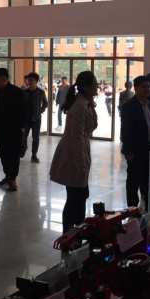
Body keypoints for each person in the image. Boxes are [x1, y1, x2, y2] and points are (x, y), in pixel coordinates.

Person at [50, 71, 98, 231]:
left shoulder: (86, 104)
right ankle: (69, 236)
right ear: (87, 87)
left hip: (79, 152)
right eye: (95, 84)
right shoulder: (79, 107)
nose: (97, 87)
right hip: (73, 155)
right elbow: (76, 138)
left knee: (80, 196)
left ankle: (76, 233)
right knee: (75, 198)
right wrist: (80, 165)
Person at [0, 68, 26, 192]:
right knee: (2, 152)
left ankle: (12, 178)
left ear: (4, 79)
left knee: (13, 153)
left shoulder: (16, 92)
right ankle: (7, 175)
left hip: (13, 129)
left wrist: (22, 126)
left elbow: (24, 110)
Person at [121, 76, 150, 210]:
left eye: (149, 86)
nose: (148, 89)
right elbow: (126, 130)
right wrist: (129, 151)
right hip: (135, 150)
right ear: (135, 89)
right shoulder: (129, 106)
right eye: (144, 87)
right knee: (133, 180)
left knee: (146, 179)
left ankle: (147, 206)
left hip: (149, 148)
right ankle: (132, 208)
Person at [22, 72, 48, 163]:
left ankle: (34, 155)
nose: (29, 82)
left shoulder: (41, 92)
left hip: (36, 118)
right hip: (25, 119)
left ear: (36, 82)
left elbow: (46, 103)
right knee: (23, 136)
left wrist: (40, 110)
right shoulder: (24, 92)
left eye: (31, 80)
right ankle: (23, 148)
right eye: (28, 80)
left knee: (35, 138)